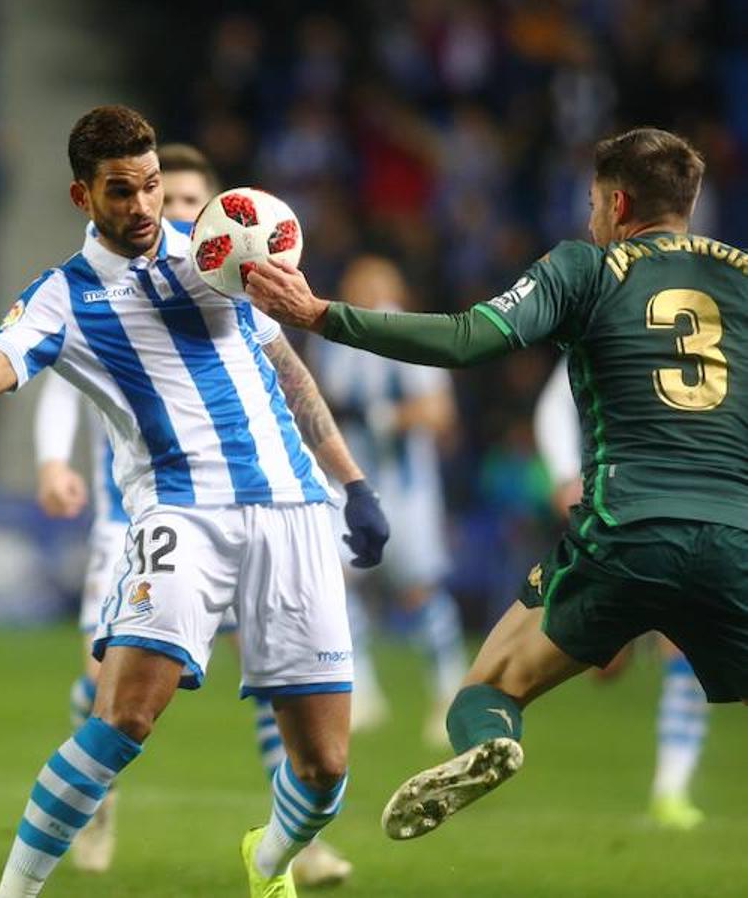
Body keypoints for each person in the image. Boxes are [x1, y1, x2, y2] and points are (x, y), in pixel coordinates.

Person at [0, 106, 388, 897]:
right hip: (182, 516)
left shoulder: (221, 253)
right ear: (83, 196)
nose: (142, 206)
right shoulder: (61, 298)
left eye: (151, 185)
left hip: (295, 510)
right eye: (120, 191)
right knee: (124, 718)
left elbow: (291, 375)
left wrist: (353, 484)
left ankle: (268, 860)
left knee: (325, 767)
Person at [241, 126, 747, 841]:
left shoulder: (587, 267)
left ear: (618, 203)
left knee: (486, 691)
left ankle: (491, 744)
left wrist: (322, 315)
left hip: (627, 532)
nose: (590, 219)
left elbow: (467, 338)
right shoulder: (742, 277)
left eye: (593, 203)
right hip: (735, 536)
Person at [32, 142, 351, 886]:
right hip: (135, 519)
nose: (169, 213)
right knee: (109, 685)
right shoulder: (96, 294)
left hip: (248, 510)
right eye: (162, 198)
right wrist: (51, 462)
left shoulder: (222, 290)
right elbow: (56, 381)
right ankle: (94, 797)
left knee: (280, 678)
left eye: (185, 204)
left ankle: (297, 839)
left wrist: (345, 483)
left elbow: (284, 381)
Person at [534, 361, 710, 829]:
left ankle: (670, 789)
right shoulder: (618, 323)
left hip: (698, 497)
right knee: (605, 665)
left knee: (686, 642)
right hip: (617, 499)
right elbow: (555, 402)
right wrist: (564, 476)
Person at [312, 256, 466, 745]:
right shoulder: (333, 344)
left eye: (377, 285)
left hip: (407, 491)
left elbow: (439, 412)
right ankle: (361, 693)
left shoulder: (408, 336)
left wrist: (385, 419)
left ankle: (450, 692)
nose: (368, 293)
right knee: (332, 584)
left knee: (418, 592)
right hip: (349, 488)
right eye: (358, 284)